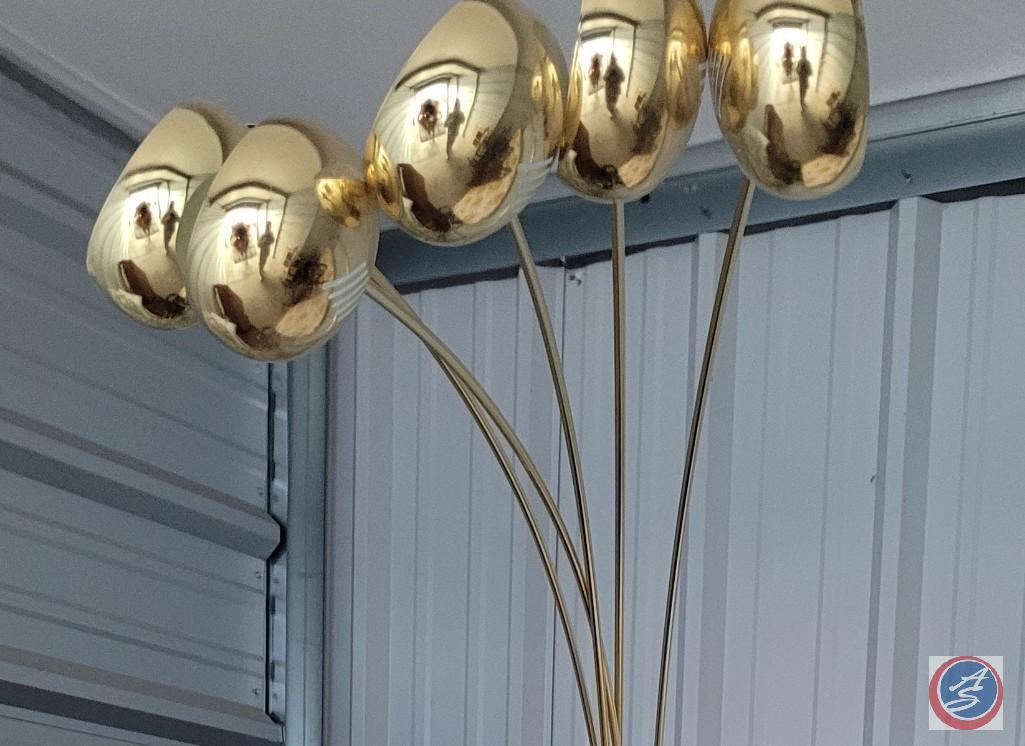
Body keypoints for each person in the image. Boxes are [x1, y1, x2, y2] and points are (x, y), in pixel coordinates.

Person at [796, 46, 813, 111]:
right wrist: (800, 67)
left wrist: (807, 69)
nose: (803, 54)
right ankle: (802, 105)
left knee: (805, 92)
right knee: (801, 93)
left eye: (804, 52)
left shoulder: (808, 62)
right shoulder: (799, 62)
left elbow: (810, 73)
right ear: (801, 54)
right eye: (802, 53)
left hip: (806, 80)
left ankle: (803, 101)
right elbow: (797, 71)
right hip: (801, 81)